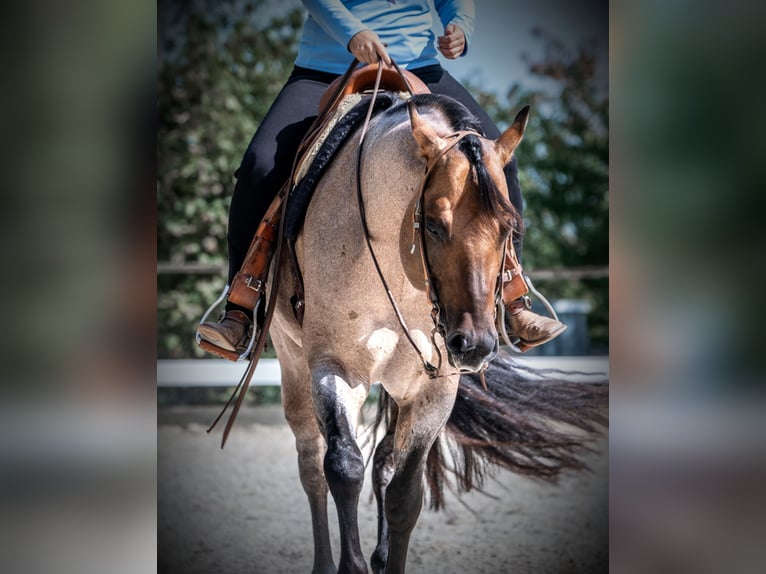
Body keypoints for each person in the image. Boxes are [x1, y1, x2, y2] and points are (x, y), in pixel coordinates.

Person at [197, 0, 565, 354]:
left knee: (502, 163)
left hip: (421, 68)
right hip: (326, 70)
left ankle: (514, 300)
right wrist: (352, 32)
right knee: (259, 166)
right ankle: (240, 308)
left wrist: (460, 27)